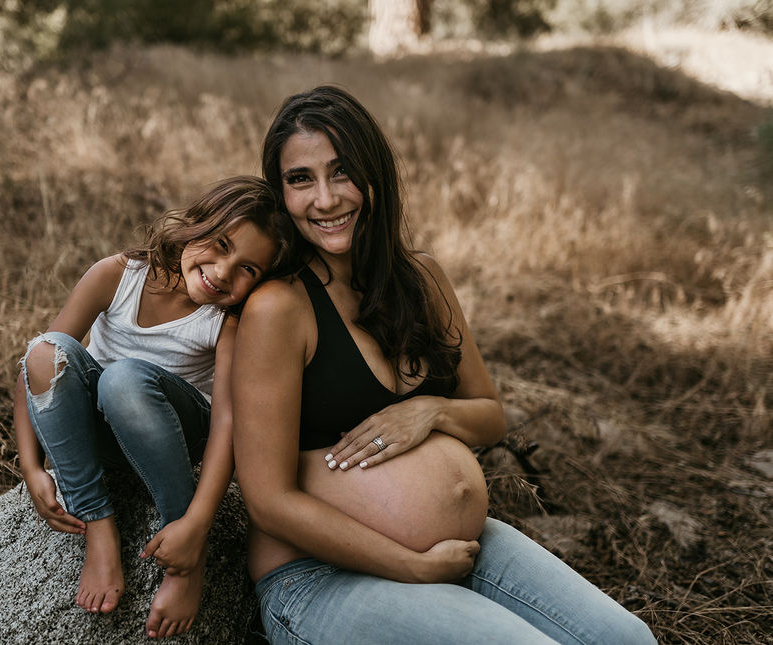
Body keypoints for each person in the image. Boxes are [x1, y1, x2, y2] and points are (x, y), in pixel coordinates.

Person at [231, 86, 656, 644]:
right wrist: (413, 568)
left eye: (342, 172)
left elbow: (490, 416)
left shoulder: (423, 279)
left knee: (629, 640)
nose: (327, 199)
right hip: (317, 578)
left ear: (375, 175)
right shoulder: (279, 309)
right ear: (280, 192)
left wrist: (429, 412)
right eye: (301, 179)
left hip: (461, 549)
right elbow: (268, 502)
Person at [13, 176, 292, 638]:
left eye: (248, 270)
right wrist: (31, 466)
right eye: (220, 245)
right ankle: (99, 525)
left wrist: (197, 525)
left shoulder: (224, 321)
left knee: (123, 379)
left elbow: (227, 422)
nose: (223, 271)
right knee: (45, 349)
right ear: (193, 224)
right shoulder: (117, 275)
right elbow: (34, 369)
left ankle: (187, 565)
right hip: (102, 440)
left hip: (175, 435)